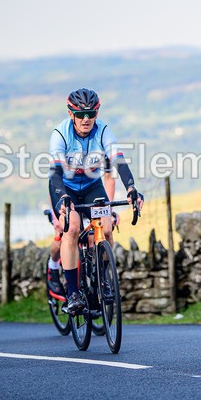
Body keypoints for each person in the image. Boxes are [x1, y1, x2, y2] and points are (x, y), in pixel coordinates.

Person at [49, 88, 143, 314]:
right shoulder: (60, 134)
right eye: (80, 115)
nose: (86, 119)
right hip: (65, 188)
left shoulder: (103, 131)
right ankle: (72, 292)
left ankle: (102, 277)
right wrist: (62, 197)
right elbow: (54, 174)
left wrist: (131, 187)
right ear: (71, 114)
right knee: (71, 228)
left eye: (91, 113)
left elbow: (118, 161)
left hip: (92, 186)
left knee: (107, 228)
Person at [46, 165, 116, 299]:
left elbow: (109, 178)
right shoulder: (65, 149)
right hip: (66, 198)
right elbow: (54, 183)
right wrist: (56, 218)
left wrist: (110, 212)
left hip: (89, 197)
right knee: (63, 234)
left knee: (95, 236)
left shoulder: (98, 147)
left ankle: (96, 281)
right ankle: (53, 267)